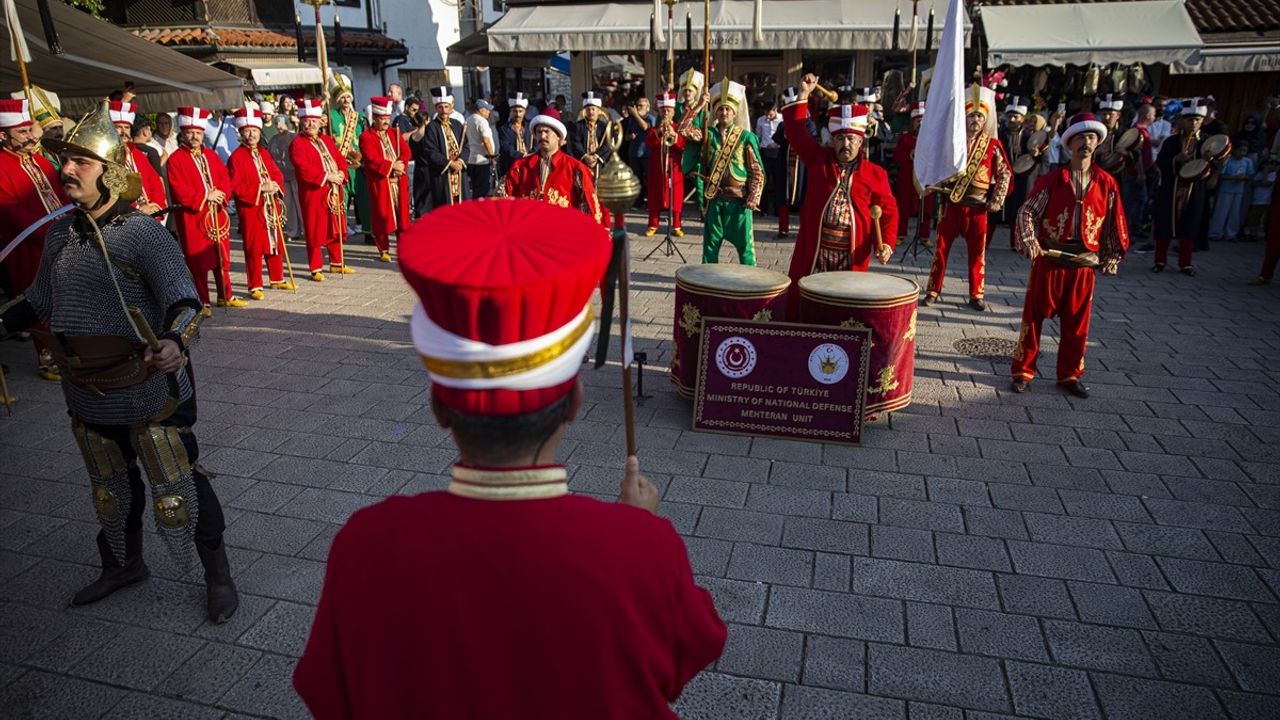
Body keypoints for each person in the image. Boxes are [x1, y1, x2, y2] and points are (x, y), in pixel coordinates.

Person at [293, 198, 726, 718]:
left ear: (438, 408)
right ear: (575, 403)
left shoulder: (364, 545)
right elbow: (692, 650)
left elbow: (326, 695)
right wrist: (634, 532)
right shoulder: (643, 549)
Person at [0, 101, 237, 622]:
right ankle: (124, 565)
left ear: (109, 172)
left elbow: (186, 301)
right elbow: (38, 301)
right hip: (85, 384)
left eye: (81, 162)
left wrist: (176, 340)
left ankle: (218, 575)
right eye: (65, 161)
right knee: (110, 484)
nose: (66, 170)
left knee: (176, 479)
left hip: (147, 381)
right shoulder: (61, 234)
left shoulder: (142, 233)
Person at [1011, 112, 1129, 399]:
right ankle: (1023, 372)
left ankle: (1069, 375)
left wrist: (1113, 255)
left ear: (1098, 143)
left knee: (1077, 325)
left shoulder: (1106, 183)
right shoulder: (1054, 179)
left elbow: (1116, 221)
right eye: (1080, 138)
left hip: (1083, 264)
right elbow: (1028, 211)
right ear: (1069, 144)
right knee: (1034, 319)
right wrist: (1029, 240)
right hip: (1049, 259)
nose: (1086, 143)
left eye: (1091, 138)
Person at [782, 75, 898, 317]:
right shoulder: (818, 160)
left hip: (851, 253)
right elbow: (795, 132)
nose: (846, 144)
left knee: (845, 307)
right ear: (833, 140)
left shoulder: (875, 174)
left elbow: (888, 211)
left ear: (860, 141)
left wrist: (885, 243)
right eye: (841, 138)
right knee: (809, 303)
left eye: (852, 139)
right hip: (816, 250)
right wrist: (804, 95)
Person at [922, 84, 1012, 310]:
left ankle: (976, 294)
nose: (976, 121)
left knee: (977, 252)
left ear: (985, 120)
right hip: (951, 204)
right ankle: (933, 290)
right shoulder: (953, 143)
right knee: (941, 249)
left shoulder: (993, 145)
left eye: (980, 117)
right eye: (971, 116)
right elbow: (937, 166)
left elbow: (1005, 173)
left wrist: (997, 199)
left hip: (978, 207)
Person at [0, 97, 66, 385]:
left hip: (59, 238)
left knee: (64, 298)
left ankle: (68, 351)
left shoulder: (40, 160)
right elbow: (11, 210)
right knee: (39, 301)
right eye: (22, 132)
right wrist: (49, 233)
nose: (30, 137)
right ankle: (47, 357)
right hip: (26, 246)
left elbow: (62, 195)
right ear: (3, 135)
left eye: (30, 130)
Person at [167, 106, 246, 310]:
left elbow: (224, 179)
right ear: (183, 134)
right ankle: (203, 301)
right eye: (190, 132)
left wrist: (221, 194)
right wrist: (205, 196)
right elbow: (178, 189)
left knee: (222, 256)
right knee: (199, 261)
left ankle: (225, 295)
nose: (194, 136)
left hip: (216, 213)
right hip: (194, 217)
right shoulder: (175, 159)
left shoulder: (211, 155)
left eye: (198, 133)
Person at [689, 80, 764, 265]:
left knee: (746, 249)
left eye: (728, 109)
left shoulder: (746, 137)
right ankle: (709, 284)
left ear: (735, 112)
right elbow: (684, 130)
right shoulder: (708, 135)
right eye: (720, 109)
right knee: (710, 249)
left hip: (739, 202)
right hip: (715, 200)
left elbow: (757, 171)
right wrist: (699, 106)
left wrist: (753, 197)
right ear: (715, 111)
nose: (724, 113)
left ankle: (750, 286)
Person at [228, 107, 294, 300]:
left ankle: (277, 278)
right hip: (252, 207)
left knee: (274, 241)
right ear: (241, 133)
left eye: (254, 131)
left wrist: (275, 185)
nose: (251, 134)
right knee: (254, 247)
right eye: (247, 131)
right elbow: (236, 186)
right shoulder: (236, 157)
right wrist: (260, 188)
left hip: (270, 205)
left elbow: (276, 173)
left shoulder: (264, 153)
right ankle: (255, 284)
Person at [291, 98, 351, 281]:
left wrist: (341, 172)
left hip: (333, 190)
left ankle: (336, 262)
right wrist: (327, 176)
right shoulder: (297, 143)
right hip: (314, 193)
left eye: (314, 121)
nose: (311, 124)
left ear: (319, 122)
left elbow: (339, 158)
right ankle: (315, 267)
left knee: (335, 226)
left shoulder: (326, 139)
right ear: (301, 121)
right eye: (307, 120)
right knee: (315, 229)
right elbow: (303, 168)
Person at [504, 115, 602, 223]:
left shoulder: (575, 168)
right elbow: (505, 200)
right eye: (539, 132)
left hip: (562, 232)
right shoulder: (520, 167)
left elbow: (587, 204)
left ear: (558, 136)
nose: (542, 136)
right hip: (528, 231)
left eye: (547, 131)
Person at [1152, 98, 1212, 275]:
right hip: (1172, 188)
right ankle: (1160, 260)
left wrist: (1209, 164)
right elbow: (1161, 162)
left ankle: (1185, 263)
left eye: (1197, 119)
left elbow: (1216, 165)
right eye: (1189, 119)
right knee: (1164, 225)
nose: (1193, 123)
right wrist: (1175, 160)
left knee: (1190, 225)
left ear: (1202, 121)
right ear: (1182, 120)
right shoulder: (1171, 142)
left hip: (1194, 190)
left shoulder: (1207, 143)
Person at [360, 96, 411, 263]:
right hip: (381, 182)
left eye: (387, 118)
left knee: (402, 215)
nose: (385, 122)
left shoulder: (394, 133)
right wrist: (392, 166)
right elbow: (372, 158)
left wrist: (402, 164)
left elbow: (405, 151)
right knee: (382, 215)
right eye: (382, 119)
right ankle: (383, 249)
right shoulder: (366, 137)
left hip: (398, 181)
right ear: (374, 118)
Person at [570, 90, 619, 229]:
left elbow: (609, 144)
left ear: (599, 110)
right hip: (583, 164)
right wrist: (585, 156)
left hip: (600, 165)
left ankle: (605, 224)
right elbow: (575, 143)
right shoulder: (577, 126)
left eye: (593, 109)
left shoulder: (605, 127)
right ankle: (584, 222)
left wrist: (597, 157)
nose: (591, 112)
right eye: (588, 109)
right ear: (584, 110)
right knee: (583, 193)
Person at [328, 75, 371, 239]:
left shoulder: (359, 118)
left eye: (348, 97)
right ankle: (342, 230)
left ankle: (367, 231)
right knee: (342, 200)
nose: (346, 100)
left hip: (358, 165)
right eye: (342, 98)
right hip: (341, 164)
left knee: (364, 199)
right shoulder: (331, 115)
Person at [107, 101, 166, 218]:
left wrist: (155, 206)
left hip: (148, 216)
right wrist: (138, 209)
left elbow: (155, 183)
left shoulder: (137, 155)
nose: (123, 132)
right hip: (124, 220)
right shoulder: (105, 157)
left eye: (127, 127)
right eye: (118, 127)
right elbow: (111, 194)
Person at [642, 92, 685, 237]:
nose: (666, 112)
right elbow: (648, 143)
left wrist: (674, 135)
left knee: (676, 196)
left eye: (668, 110)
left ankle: (677, 225)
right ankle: (653, 224)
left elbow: (682, 146)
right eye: (663, 110)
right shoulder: (654, 128)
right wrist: (659, 132)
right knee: (654, 196)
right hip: (657, 168)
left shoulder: (678, 128)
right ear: (659, 111)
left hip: (674, 167)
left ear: (673, 112)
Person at [893, 101, 932, 244]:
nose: (920, 123)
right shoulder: (905, 138)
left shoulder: (932, 139)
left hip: (925, 177)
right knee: (903, 205)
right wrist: (909, 154)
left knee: (926, 207)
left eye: (923, 120)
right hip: (907, 175)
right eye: (917, 120)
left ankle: (924, 236)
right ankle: (901, 234)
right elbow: (898, 155)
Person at [422, 86, 467, 209]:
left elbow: (466, 146)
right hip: (443, 174)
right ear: (436, 107)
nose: (444, 110)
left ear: (451, 107)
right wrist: (449, 163)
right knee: (446, 208)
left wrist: (461, 161)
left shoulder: (457, 125)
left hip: (459, 173)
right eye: (440, 107)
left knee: (462, 207)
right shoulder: (431, 127)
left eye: (446, 107)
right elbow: (430, 151)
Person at [1121, 103, 1156, 242]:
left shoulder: (1144, 130)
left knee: (1140, 201)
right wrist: (1140, 172)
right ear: (1147, 115)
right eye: (1153, 114)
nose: (1154, 117)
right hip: (1133, 173)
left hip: (1142, 171)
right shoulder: (1137, 131)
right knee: (1133, 202)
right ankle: (1128, 231)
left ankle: (1135, 229)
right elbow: (1137, 154)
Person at [267, 114, 303, 240]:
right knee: (288, 204)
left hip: (295, 174)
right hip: (282, 175)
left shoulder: (294, 137)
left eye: (281, 123)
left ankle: (306, 229)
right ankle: (293, 231)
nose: (279, 126)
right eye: (277, 123)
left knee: (300, 202)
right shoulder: (273, 140)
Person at [677, 69, 708, 211]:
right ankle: (675, 210)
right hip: (678, 149)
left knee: (699, 182)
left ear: (696, 92)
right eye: (685, 90)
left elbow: (703, 130)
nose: (687, 93)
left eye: (690, 91)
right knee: (676, 182)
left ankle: (703, 210)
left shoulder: (703, 109)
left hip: (694, 150)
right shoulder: (677, 108)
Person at [623, 96, 654, 207]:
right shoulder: (632, 120)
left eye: (641, 106)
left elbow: (646, 127)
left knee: (649, 180)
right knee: (636, 180)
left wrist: (635, 114)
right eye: (637, 105)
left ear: (648, 107)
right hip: (634, 154)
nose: (638, 108)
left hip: (647, 154)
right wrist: (629, 136)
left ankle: (651, 202)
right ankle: (637, 202)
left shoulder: (650, 118)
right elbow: (625, 136)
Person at [464, 98, 497, 198]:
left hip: (470, 159)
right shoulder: (482, 121)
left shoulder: (468, 119)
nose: (488, 112)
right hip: (482, 160)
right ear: (481, 110)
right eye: (487, 110)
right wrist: (492, 156)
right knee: (482, 190)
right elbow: (486, 140)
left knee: (474, 188)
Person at [497, 91, 531, 180]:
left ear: (525, 112)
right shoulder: (504, 129)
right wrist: (522, 155)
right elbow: (506, 148)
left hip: (530, 167)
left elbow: (537, 144)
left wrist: (531, 155)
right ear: (511, 111)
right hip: (511, 168)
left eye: (520, 111)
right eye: (515, 111)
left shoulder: (530, 127)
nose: (518, 114)